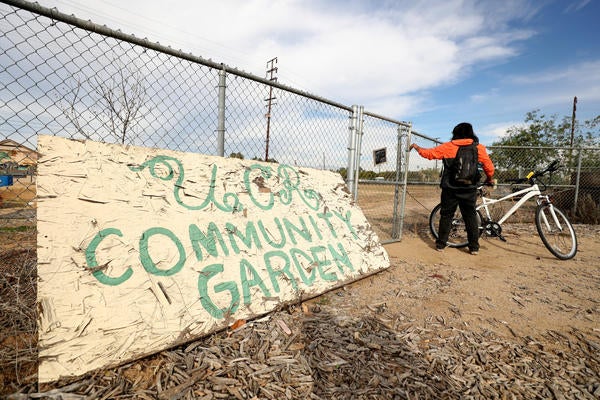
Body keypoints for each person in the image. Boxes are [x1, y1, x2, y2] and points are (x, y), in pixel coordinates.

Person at [409, 122, 495, 255]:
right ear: (471, 133)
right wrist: (489, 179)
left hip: (450, 188)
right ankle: (474, 247)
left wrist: (416, 147)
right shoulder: (479, 148)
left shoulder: (448, 147)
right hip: (469, 188)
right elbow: (489, 168)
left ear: (455, 133)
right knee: (470, 216)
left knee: (446, 215)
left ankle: (441, 244)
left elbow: (429, 154)